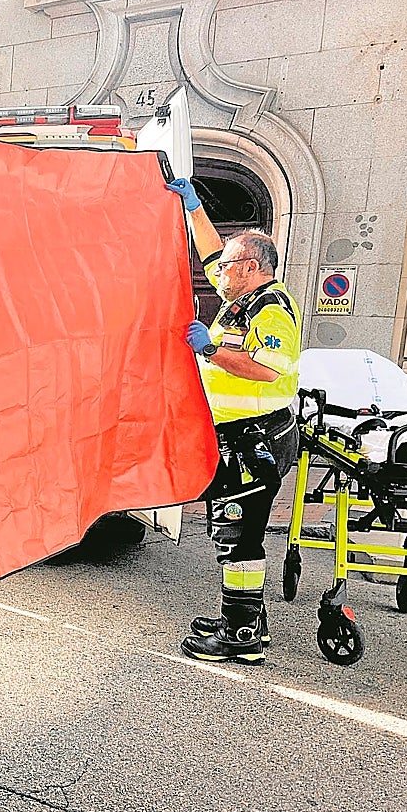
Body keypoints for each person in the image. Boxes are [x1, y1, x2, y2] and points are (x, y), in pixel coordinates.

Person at [167, 177, 301, 665]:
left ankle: (240, 635)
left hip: (255, 440)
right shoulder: (241, 298)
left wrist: (213, 351)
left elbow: (268, 368)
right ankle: (248, 621)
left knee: (238, 536)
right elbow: (209, 252)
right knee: (237, 531)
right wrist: (194, 207)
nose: (216, 272)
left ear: (249, 268)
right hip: (244, 438)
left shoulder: (271, 309)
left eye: (226, 266)